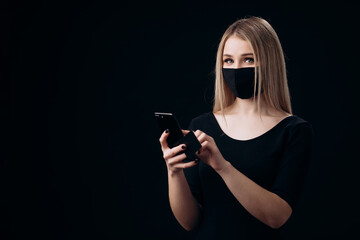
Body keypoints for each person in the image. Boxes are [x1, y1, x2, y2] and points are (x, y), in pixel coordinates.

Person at [158, 16, 314, 239]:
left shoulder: (294, 131)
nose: (236, 68)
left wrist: (222, 166)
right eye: (228, 60)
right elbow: (189, 222)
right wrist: (173, 171)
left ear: (270, 63)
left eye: (248, 60)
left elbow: (277, 216)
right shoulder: (201, 126)